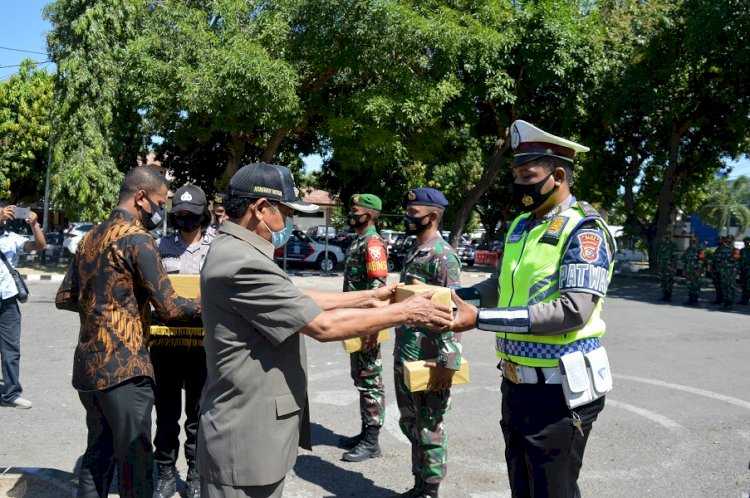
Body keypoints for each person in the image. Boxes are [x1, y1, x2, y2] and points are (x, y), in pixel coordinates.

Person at [196, 163, 452, 498]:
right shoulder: (243, 261)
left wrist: (369, 296)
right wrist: (405, 310)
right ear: (260, 209)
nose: (286, 223)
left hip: (248, 433)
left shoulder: (235, 251)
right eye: (285, 212)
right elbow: (323, 326)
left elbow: (296, 297)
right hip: (245, 438)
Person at [450, 120, 617, 498]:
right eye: (516, 174)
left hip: (559, 396)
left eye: (528, 174)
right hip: (516, 386)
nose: (518, 183)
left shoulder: (585, 231)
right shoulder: (522, 227)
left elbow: (572, 311)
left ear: (558, 175)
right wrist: (450, 297)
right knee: (522, 490)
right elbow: (499, 286)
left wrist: (479, 319)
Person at [56, 166, 201, 498]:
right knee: (135, 468)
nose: (161, 211)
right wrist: (208, 304)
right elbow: (170, 308)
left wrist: (104, 304)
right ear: (140, 197)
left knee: (97, 458)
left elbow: (64, 298)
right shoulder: (139, 239)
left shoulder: (90, 237)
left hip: (88, 370)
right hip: (125, 369)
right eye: (160, 203)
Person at [393, 187, 462, 498]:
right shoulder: (416, 250)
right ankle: (419, 483)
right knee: (410, 422)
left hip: (430, 356)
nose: (409, 219)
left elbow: (452, 311)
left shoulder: (443, 256)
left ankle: (430, 489)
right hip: (407, 352)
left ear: (432, 216)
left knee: (429, 425)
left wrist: (448, 362)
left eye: (414, 214)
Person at [151, 184, 214, 498]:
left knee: (199, 414)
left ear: (204, 215)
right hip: (166, 343)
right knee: (166, 412)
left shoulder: (219, 247)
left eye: (192, 215)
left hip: (205, 345)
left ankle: (194, 474)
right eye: (180, 215)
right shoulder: (160, 246)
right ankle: (164, 471)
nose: (186, 219)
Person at [339, 193, 389, 462]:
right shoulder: (360, 241)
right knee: (360, 376)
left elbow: (378, 288)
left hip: (366, 322)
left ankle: (372, 440)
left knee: (370, 378)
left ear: (369, 215)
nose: (351, 214)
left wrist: (372, 326)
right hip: (355, 320)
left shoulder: (373, 244)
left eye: (355, 210)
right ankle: (364, 431)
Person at [0, 202, 46, 409]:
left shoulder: (12, 239)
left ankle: (11, 394)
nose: (5, 217)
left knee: (11, 349)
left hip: (8, 301)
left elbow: (39, 245)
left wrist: (34, 225)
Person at [713, 235, 737, 310]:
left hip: (731, 272)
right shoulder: (723, 250)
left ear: (733, 240)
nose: (728, 241)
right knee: (724, 287)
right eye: (727, 240)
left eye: (730, 240)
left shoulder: (735, 250)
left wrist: (735, 271)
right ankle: (726, 303)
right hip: (723, 272)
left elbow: (737, 262)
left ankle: (729, 304)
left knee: (730, 287)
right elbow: (719, 261)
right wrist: (720, 270)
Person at [682, 236, 704, 306]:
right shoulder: (688, 250)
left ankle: (695, 300)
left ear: (697, 241)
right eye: (691, 240)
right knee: (689, 285)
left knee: (696, 285)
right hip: (689, 271)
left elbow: (701, 261)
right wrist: (684, 269)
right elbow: (685, 260)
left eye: (694, 240)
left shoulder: (700, 250)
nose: (692, 242)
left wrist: (699, 270)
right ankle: (690, 299)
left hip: (696, 271)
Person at [657, 232, 677, 302]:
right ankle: (664, 295)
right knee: (663, 281)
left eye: (668, 236)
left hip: (669, 267)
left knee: (669, 282)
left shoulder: (673, 245)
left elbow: (674, 257)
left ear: (670, 237)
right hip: (662, 266)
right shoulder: (662, 245)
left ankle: (668, 296)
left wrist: (673, 266)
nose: (667, 237)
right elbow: (659, 256)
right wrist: (659, 266)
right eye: (666, 235)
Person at [739, 236, 750, 305]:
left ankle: (746, 300)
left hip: (749, 270)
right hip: (743, 269)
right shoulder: (742, 250)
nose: (746, 242)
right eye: (745, 241)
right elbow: (740, 260)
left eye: (747, 241)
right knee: (743, 285)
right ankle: (743, 299)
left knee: (748, 285)